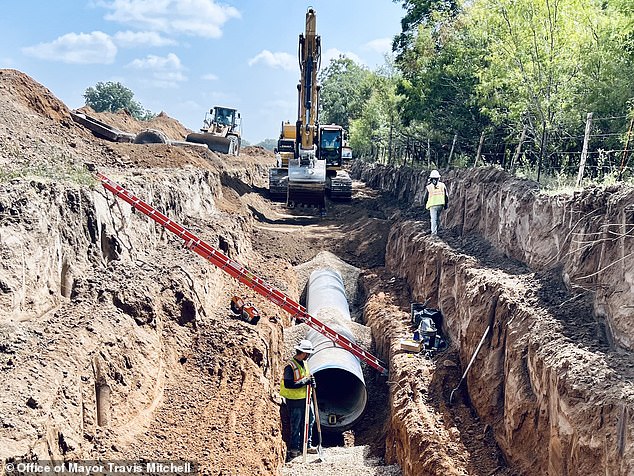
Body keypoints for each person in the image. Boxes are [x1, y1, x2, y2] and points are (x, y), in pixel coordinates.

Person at [279, 339, 317, 459]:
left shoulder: (305, 363)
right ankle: (294, 448)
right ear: (304, 353)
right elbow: (288, 384)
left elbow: (307, 376)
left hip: (306, 398)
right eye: (308, 353)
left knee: (310, 421)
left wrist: (311, 382)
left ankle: (307, 445)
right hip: (294, 400)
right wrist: (304, 382)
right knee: (296, 424)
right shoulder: (290, 367)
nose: (309, 356)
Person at [423, 169, 448, 235]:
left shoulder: (429, 187)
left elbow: (425, 198)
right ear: (438, 178)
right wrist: (446, 205)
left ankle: (434, 233)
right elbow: (446, 196)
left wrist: (425, 205)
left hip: (433, 205)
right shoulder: (442, 185)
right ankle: (437, 229)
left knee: (433, 219)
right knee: (438, 218)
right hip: (440, 204)